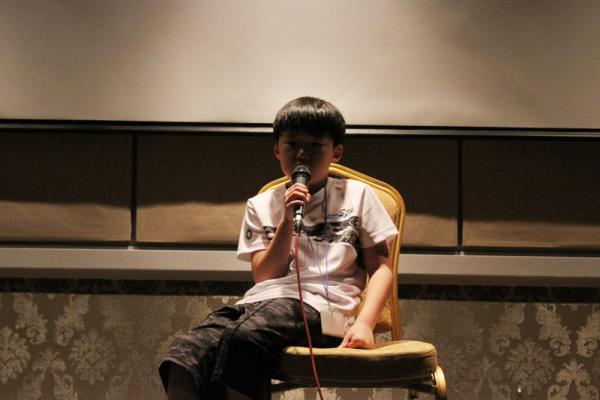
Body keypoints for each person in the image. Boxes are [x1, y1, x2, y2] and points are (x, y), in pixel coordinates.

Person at [159, 96, 398, 399]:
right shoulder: (261, 204)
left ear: (336, 152)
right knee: (184, 352)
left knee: (244, 338)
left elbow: (381, 268)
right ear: (277, 150)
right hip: (260, 304)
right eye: (292, 144)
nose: (302, 154)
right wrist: (286, 220)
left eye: (315, 146)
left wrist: (365, 323)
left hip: (326, 310)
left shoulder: (359, 196)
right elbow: (264, 276)